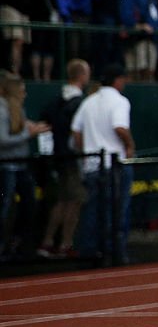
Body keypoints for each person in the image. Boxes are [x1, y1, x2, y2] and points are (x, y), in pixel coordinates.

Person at [71, 63, 135, 264]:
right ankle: (114, 252)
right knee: (116, 210)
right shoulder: (119, 101)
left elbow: (76, 131)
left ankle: (90, 251)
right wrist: (130, 145)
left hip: (92, 163)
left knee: (92, 210)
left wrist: (86, 151)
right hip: (113, 163)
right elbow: (120, 128)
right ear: (118, 80)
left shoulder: (89, 101)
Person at [38, 59, 90, 258]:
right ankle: (65, 244)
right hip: (71, 159)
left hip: (58, 158)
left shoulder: (56, 100)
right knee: (73, 201)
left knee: (62, 201)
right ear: (82, 75)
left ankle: (48, 242)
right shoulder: (78, 103)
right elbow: (77, 134)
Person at [0, 72, 50, 259]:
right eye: (21, 90)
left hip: (21, 165)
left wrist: (31, 129)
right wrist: (29, 134)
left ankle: (17, 243)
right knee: (5, 207)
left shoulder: (17, 110)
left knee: (29, 204)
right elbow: (3, 140)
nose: (25, 94)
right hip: (6, 166)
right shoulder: (2, 110)